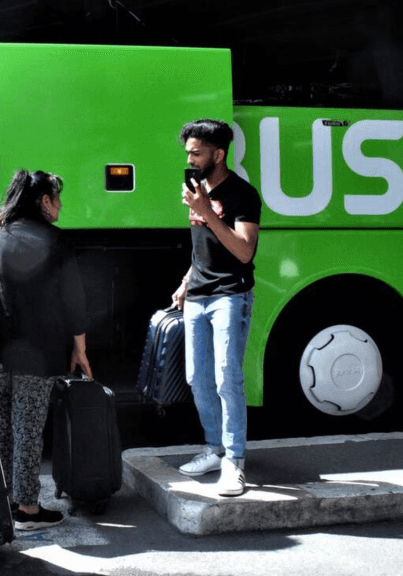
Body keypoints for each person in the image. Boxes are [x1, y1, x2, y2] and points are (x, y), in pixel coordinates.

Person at [0, 169, 92, 530]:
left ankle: (0, 504)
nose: (60, 204)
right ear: (43, 201)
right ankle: (29, 510)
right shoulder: (56, 240)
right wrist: (79, 348)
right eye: (57, 197)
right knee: (28, 430)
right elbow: (73, 300)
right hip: (41, 350)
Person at [171, 119, 262, 497]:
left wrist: (206, 210)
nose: (190, 160)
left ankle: (234, 463)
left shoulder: (242, 194)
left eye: (196, 153)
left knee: (228, 379)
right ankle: (214, 448)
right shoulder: (200, 190)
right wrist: (186, 281)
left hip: (230, 295)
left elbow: (244, 250)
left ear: (219, 154)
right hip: (198, 295)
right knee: (198, 379)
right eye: (188, 153)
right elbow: (203, 246)